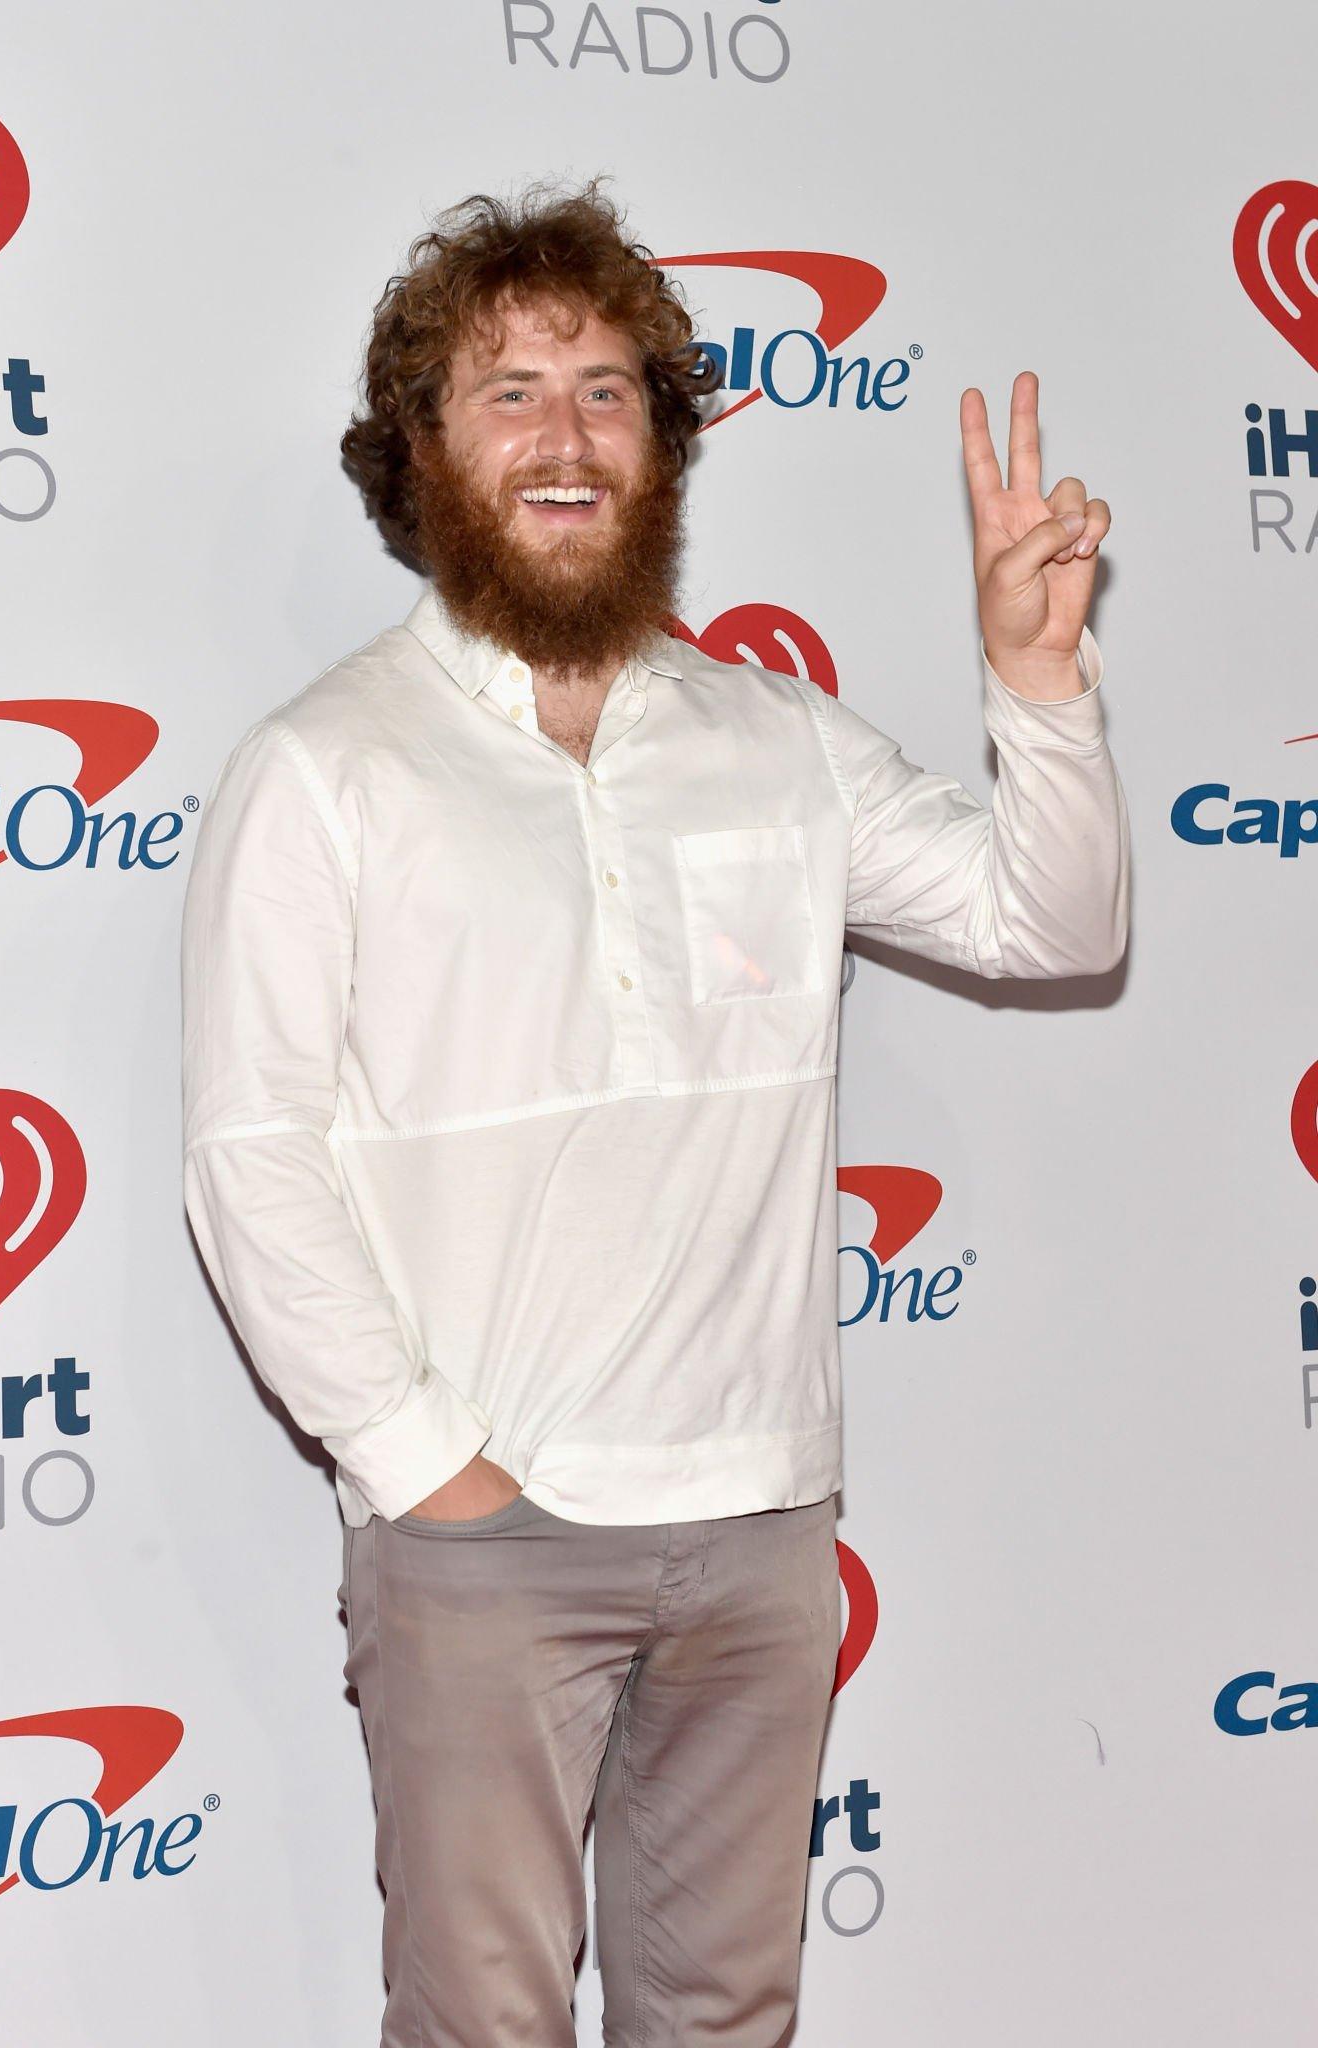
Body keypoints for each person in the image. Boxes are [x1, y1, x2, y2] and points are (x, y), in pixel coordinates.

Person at [180, 179, 1129, 2047]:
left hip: (761, 1523)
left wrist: (1037, 677)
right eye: (509, 389)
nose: (566, 433)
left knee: (722, 2023)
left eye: (609, 389)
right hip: (486, 1538)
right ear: (423, 453)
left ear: (665, 446)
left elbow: (1054, 920)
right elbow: (249, 1155)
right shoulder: (326, 768)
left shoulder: (777, 742)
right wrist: (431, 1477)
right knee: (486, 2028)